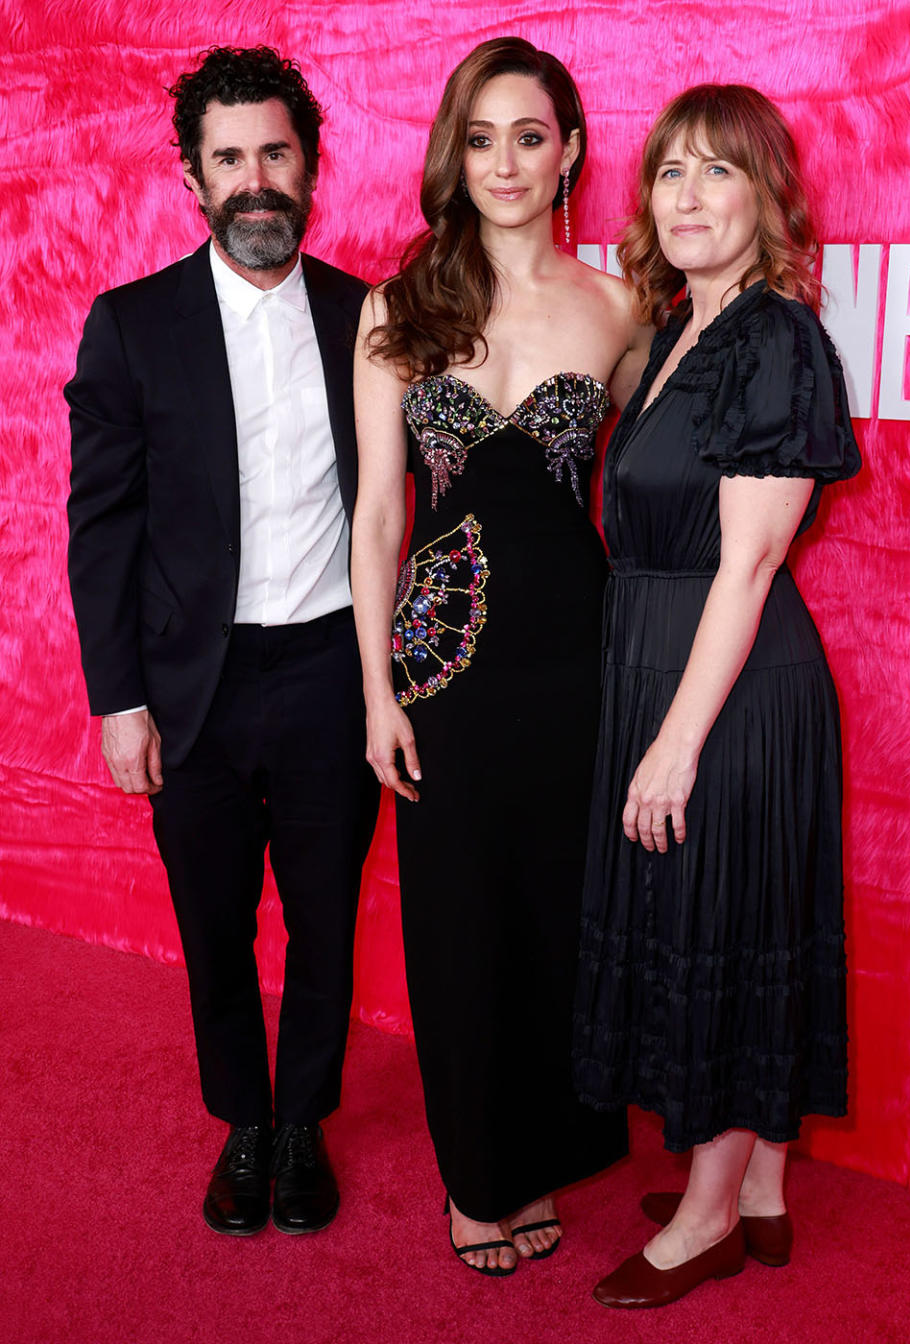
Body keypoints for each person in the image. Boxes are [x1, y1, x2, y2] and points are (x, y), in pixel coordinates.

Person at [65, 46, 379, 1237]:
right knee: (214, 924)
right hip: (191, 686)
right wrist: (118, 698)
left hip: (332, 677)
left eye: (276, 154)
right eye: (231, 158)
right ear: (195, 179)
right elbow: (103, 528)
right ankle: (243, 1125)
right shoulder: (132, 327)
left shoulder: (367, 316)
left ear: (311, 167)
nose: (257, 181)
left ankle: (303, 1125)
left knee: (324, 922)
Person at [351, 37, 645, 1275]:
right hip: (444, 664)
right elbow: (376, 511)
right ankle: (478, 1177)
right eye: (481, 138)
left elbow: (642, 490)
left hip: (579, 657)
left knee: (558, 913)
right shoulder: (400, 304)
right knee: (462, 920)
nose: (507, 162)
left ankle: (553, 1155)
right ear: (452, 156)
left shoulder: (623, 306)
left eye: (530, 136)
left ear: (571, 150)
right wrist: (376, 689)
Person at [573, 84, 861, 1309]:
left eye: (719, 173)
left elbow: (746, 562)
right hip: (676, 662)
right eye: (670, 173)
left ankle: (707, 1222)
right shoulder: (684, 324)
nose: (687, 197)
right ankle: (759, 1185)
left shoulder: (774, 338)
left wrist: (676, 743)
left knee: (724, 927)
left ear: (767, 197)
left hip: (730, 691)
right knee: (739, 925)